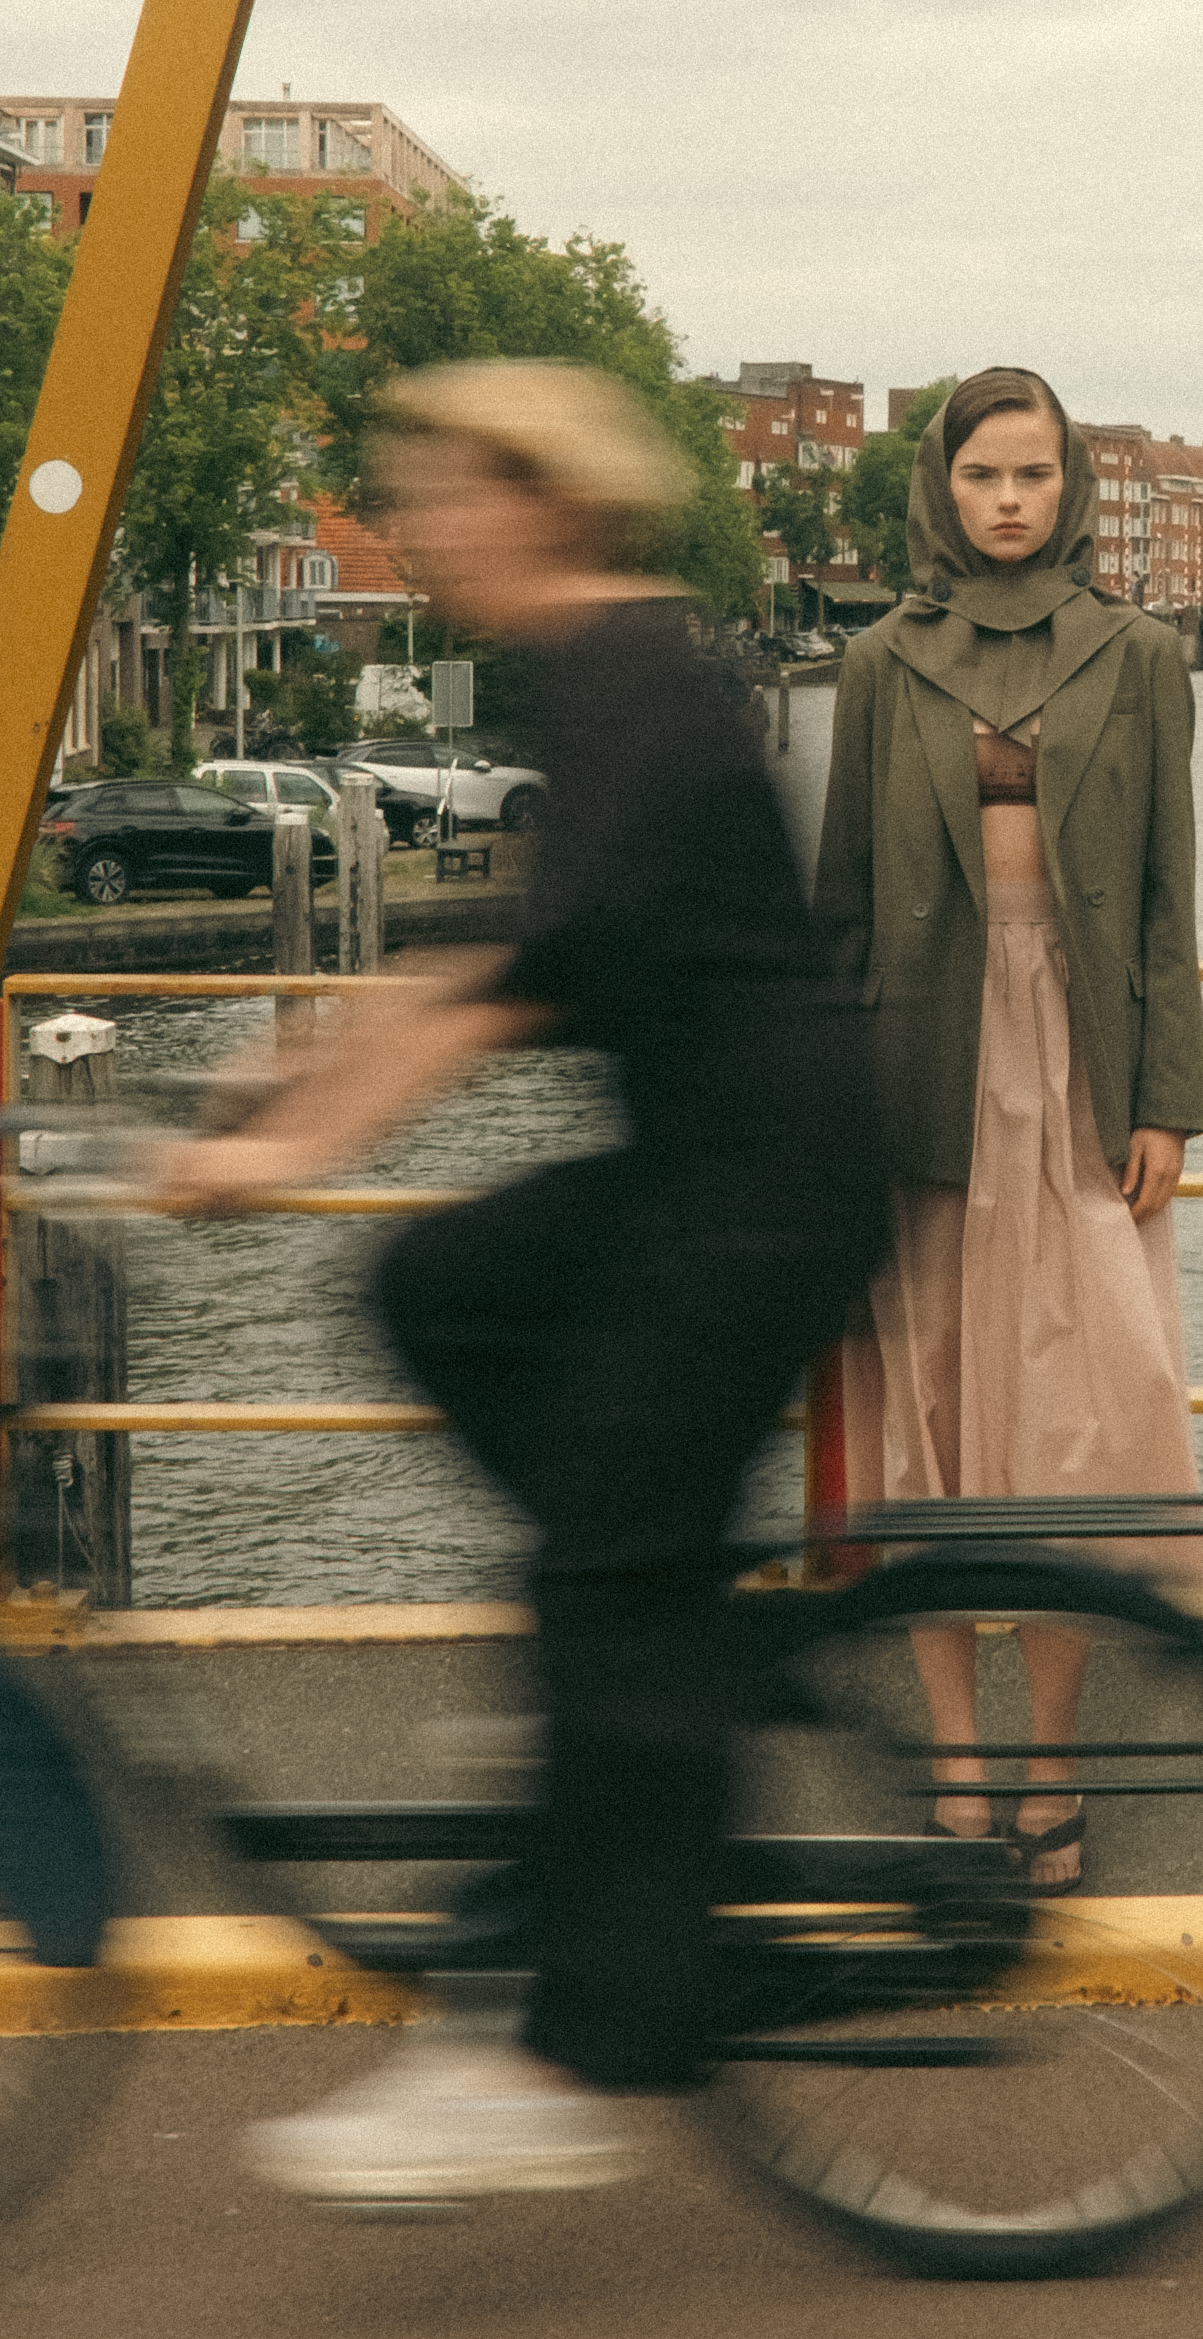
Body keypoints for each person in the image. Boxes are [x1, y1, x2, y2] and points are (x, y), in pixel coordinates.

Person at [157, 363, 887, 2205]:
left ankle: (558, 2052)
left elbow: (500, 994)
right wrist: (278, 1074)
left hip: (765, 1194)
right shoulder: (603, 670)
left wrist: (285, 1152)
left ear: (537, 498)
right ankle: (645, 1670)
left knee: (598, 1567)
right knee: (439, 1282)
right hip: (705, 1166)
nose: (414, 528)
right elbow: (493, 950)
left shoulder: (637, 676)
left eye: (438, 494)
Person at [813, 369, 1203, 1896]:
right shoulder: (877, 661)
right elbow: (844, 904)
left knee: (1083, 1417)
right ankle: (954, 1767)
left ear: (1069, 487)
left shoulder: (1142, 654)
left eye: (1032, 474)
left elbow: (1168, 897)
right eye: (981, 474)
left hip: (1084, 1072)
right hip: (917, 1066)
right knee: (924, 1419)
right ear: (942, 486)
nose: (1006, 500)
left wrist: (1165, 1098)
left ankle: (1051, 1762)